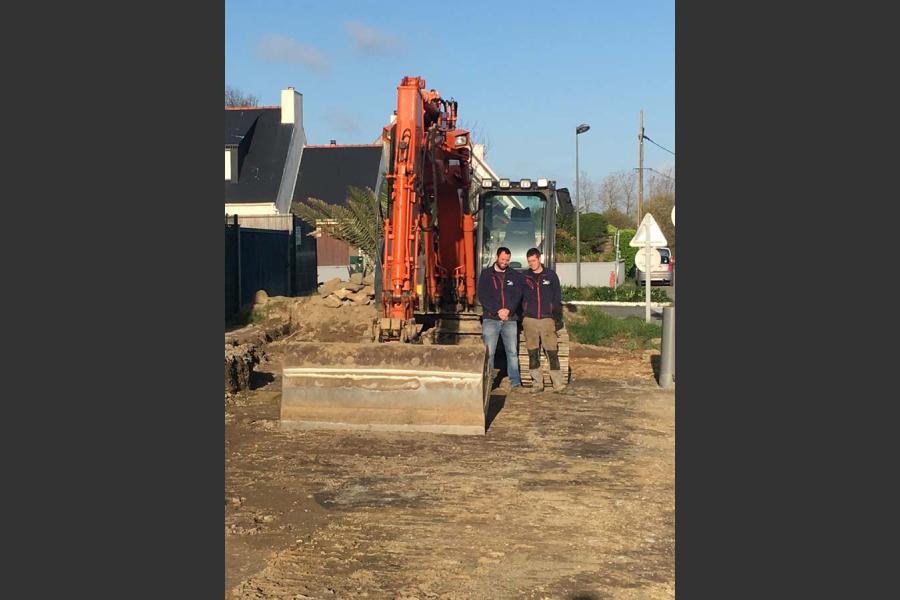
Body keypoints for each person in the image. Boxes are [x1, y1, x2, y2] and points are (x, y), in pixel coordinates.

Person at [520, 247, 566, 392]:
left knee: (552, 352)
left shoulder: (551, 276)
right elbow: (518, 297)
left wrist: (556, 317)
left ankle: (557, 383)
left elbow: (557, 297)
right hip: (530, 320)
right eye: (529, 261)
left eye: (534, 260)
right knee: (533, 353)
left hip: (547, 319)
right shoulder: (524, 277)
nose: (532, 264)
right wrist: (523, 314)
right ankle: (537, 383)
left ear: (539, 259)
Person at [477, 246, 522, 390]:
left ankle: (515, 382)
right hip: (491, 319)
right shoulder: (486, 275)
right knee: (489, 353)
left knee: (512, 352)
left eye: (507, 260)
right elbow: (483, 296)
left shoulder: (514, 275)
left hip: (510, 319)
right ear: (497, 257)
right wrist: (497, 310)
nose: (505, 262)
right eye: (503, 259)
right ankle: (488, 382)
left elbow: (517, 295)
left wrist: (508, 309)